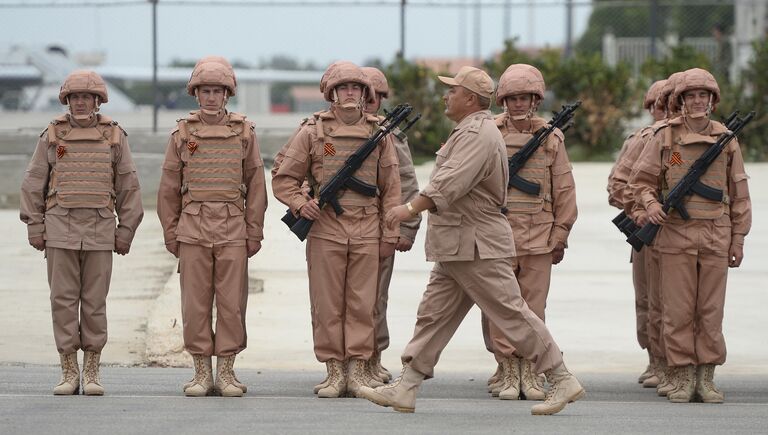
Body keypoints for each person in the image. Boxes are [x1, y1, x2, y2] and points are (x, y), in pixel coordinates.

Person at [358, 66, 584, 415]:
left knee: (511, 313)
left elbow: (451, 181)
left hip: (477, 243)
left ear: (470, 98)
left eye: (453, 91)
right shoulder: (470, 130)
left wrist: (408, 209)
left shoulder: (478, 133)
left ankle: (560, 376)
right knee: (433, 316)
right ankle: (406, 387)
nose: (446, 96)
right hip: (458, 243)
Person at [272, 61, 401, 398]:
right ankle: (334, 372)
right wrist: (302, 204)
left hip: (367, 228)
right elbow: (284, 179)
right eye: (343, 88)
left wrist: (390, 233)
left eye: (356, 88)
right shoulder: (312, 132)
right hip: (326, 229)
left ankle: (358, 371)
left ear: (365, 94)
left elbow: (392, 190)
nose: (349, 93)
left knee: (362, 303)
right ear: (331, 93)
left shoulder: (379, 135)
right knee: (327, 303)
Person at [629, 68, 751, 403]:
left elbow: (739, 194)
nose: (698, 102)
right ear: (681, 101)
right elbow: (640, 182)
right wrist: (651, 204)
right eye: (691, 96)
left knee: (710, 311)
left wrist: (738, 238)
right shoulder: (665, 137)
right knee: (678, 310)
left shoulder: (726, 139)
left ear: (712, 100)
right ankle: (681, 374)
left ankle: (706, 377)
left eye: (703, 95)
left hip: (715, 235)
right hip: (675, 236)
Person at [20, 70, 144, 395]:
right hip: (60, 229)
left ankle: (92, 371)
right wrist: (35, 224)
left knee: (94, 302)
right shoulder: (53, 135)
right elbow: (33, 182)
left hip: (101, 230)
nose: (80, 103)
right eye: (74, 97)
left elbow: (129, 187)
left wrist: (126, 231)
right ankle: (68, 371)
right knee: (62, 301)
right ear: (67, 100)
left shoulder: (114, 136)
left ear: (98, 101)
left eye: (86, 97)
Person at [157, 56, 267, 397]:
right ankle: (201, 372)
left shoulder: (244, 132)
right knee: (195, 303)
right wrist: (171, 232)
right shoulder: (182, 134)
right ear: (195, 93)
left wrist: (254, 230)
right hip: (193, 228)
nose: (210, 97)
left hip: (233, 228)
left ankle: (228, 372)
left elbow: (257, 183)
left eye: (217, 91)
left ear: (227, 94)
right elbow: (168, 188)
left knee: (232, 302)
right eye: (204, 90)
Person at [482, 64, 577, 401]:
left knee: (533, 308)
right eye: (513, 98)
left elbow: (564, 189)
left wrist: (560, 233)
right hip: (497, 236)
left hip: (538, 237)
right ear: (503, 100)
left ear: (535, 100)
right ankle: (509, 369)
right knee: (501, 307)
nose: (519, 104)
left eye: (525, 98)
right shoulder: (489, 133)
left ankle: (532, 372)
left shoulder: (551, 138)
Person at [361, 66, 422, 384]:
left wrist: (407, 228)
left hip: (380, 228)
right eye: (364, 93)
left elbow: (408, 183)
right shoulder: (326, 131)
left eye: (376, 95)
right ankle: (341, 362)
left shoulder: (390, 135)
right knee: (335, 301)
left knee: (374, 299)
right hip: (336, 229)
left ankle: (372, 358)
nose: (369, 100)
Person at [606, 79, 668, 387]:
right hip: (649, 234)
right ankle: (656, 360)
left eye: (668, 104)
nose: (662, 110)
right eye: (658, 105)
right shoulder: (642, 140)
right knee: (648, 301)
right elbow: (617, 185)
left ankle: (681, 363)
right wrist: (640, 211)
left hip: (684, 234)